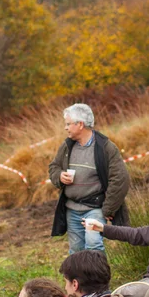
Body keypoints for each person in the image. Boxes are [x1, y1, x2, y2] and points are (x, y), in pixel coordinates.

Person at [48, 103, 131, 253]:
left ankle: (98, 276)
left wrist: (107, 209)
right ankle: (79, 277)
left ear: (80, 124)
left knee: (94, 246)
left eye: (68, 124)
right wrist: (59, 176)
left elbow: (120, 179)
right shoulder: (67, 146)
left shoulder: (106, 147)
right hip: (71, 209)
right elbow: (53, 167)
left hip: (95, 208)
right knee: (77, 251)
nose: (65, 128)